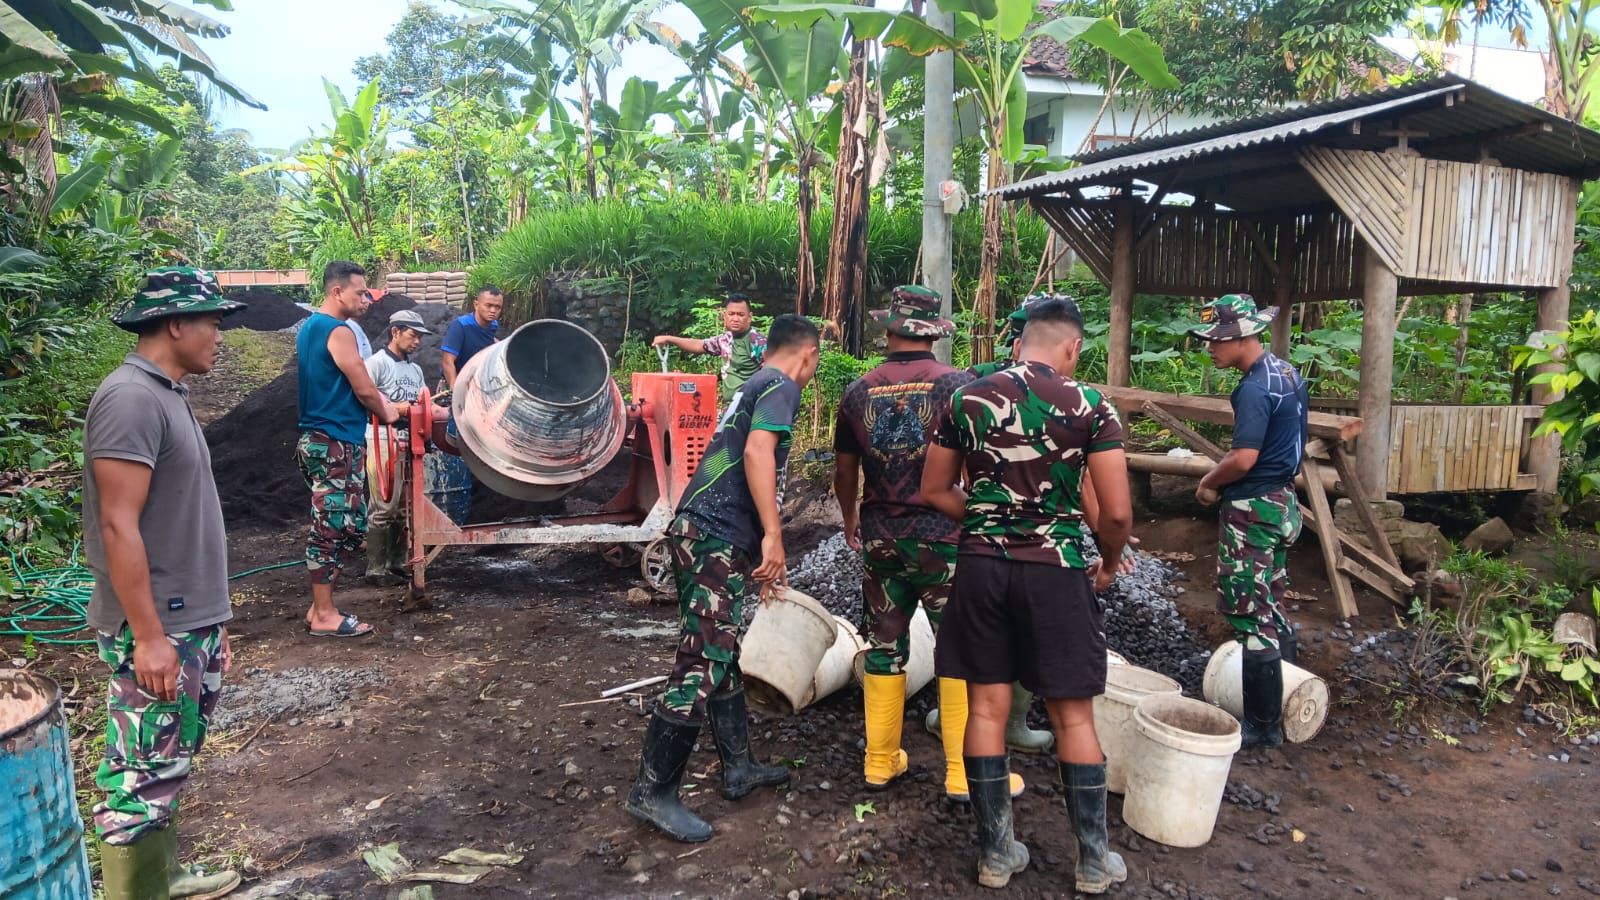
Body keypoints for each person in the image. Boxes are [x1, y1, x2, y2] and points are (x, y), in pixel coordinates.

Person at [922, 297, 1133, 894]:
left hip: (982, 568)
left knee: (986, 709)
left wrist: (989, 522)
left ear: (1020, 343)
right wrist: (1109, 562)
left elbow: (934, 489)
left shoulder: (967, 398)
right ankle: (1093, 862)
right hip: (1057, 570)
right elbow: (1115, 513)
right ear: (1072, 347)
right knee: (1072, 713)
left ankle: (996, 856)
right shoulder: (1092, 405)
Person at [626, 314, 821, 843]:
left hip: (703, 529)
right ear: (808, 354)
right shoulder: (781, 385)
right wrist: (775, 537)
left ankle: (739, 768)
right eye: (816, 361)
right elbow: (759, 453)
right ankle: (652, 791)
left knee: (721, 649)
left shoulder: (755, 380)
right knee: (702, 658)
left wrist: (756, 543)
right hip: (714, 532)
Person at [83, 266, 245, 899]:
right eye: (213, 322)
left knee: (166, 758)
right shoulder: (130, 398)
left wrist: (215, 621)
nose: (220, 336)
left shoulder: (167, 393)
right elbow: (118, 524)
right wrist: (148, 635)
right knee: (138, 771)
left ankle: (165, 875)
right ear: (175, 324)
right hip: (158, 623)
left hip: (189, 616)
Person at [832, 285, 1026, 802]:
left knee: (885, 643)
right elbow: (979, 465)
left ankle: (880, 761)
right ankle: (963, 772)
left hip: (880, 536)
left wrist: (852, 516)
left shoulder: (857, 391)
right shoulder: (959, 388)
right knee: (960, 650)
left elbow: (844, 469)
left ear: (890, 328)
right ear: (932, 332)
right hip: (944, 539)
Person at [1190, 293, 1309, 748]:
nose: (1210, 348)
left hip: (1253, 506)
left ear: (1242, 336)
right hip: (1283, 501)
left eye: (1217, 341)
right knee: (1271, 598)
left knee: (1248, 610)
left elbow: (1243, 458)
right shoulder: (1287, 372)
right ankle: (1291, 696)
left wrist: (1209, 482)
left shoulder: (1254, 387)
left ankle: (1262, 725)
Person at [296, 261, 399, 638]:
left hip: (328, 439)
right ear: (336, 292)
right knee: (330, 528)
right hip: (334, 441)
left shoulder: (310, 328)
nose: (367, 299)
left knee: (349, 526)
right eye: (360, 292)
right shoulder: (338, 331)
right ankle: (324, 614)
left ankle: (318, 608)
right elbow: (365, 387)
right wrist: (389, 411)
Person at [363, 309, 431, 587]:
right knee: (384, 504)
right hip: (381, 438)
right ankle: (375, 568)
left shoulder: (415, 370)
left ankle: (396, 562)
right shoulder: (376, 364)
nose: (417, 342)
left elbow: (424, 402)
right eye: (412, 335)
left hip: (409, 440)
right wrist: (394, 408)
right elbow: (364, 399)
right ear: (395, 332)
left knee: (405, 507)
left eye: (419, 337)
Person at [653, 294, 768, 403]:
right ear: (725, 316)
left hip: (750, 407)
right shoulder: (725, 339)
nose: (735, 319)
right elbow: (699, 345)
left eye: (740, 314)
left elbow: (773, 374)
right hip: (731, 406)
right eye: (731, 314)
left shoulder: (757, 342)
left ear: (749, 317)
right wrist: (669, 339)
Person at [440, 286, 503, 389]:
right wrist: (455, 391)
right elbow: (447, 361)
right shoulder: (461, 325)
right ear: (476, 304)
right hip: (454, 381)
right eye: (489, 305)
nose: (493, 310)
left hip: (477, 384)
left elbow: (486, 340)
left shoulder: (493, 325)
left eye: (497, 307)